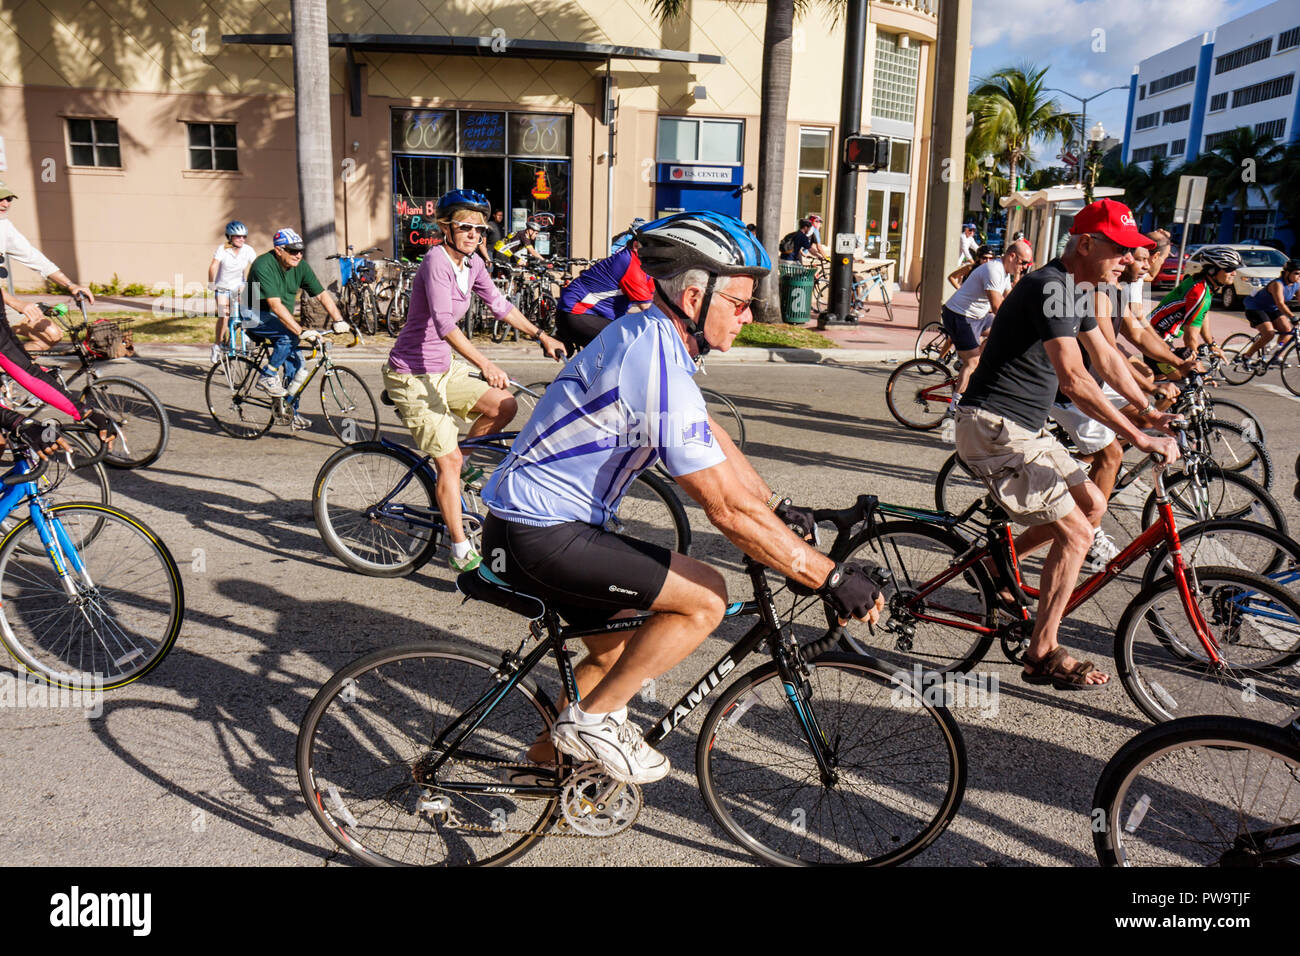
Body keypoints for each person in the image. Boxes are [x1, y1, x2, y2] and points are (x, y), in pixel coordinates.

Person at [480, 211, 884, 783]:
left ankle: (539, 772)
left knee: (618, 650)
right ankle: (592, 723)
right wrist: (831, 577)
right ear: (695, 296)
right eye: (739, 303)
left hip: (537, 522)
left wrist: (775, 505)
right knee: (706, 596)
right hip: (540, 530)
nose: (746, 316)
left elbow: (712, 436)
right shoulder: (652, 356)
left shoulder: (656, 338)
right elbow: (722, 507)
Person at [954, 198, 1180, 691]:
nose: (1129, 261)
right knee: (1078, 535)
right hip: (995, 427)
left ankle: (996, 564)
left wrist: (1149, 409)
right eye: (1120, 250)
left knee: (1092, 504)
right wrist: (1138, 435)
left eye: (1133, 252)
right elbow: (1075, 379)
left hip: (1022, 428)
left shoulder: (1075, 290)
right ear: (1085, 243)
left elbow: (1105, 359)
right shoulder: (1047, 287)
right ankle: (1042, 651)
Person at [383, 189, 565, 573]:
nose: (473, 235)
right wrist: (486, 363)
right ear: (446, 227)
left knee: (505, 405)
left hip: (443, 368)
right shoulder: (436, 261)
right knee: (447, 462)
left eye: (480, 229)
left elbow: (500, 306)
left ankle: (458, 467)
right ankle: (460, 547)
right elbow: (444, 323)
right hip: (412, 374)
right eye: (465, 227)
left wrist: (541, 336)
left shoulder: (473, 265)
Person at [1048, 233, 1196, 571]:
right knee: (1112, 453)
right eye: (1134, 257)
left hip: (1092, 384)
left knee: (1136, 423)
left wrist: (1175, 363)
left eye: (1145, 258)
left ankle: (1084, 466)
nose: (1141, 265)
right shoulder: (1094, 292)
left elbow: (1138, 333)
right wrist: (1148, 389)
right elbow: (1107, 353)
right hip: (1069, 392)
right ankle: (1093, 530)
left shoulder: (1115, 291)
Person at [240, 228, 350, 424]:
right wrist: (301, 331)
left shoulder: (300, 266)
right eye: (292, 250)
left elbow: (322, 294)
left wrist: (338, 319)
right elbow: (274, 305)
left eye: (300, 250)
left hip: (278, 315)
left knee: (298, 366)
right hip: (253, 313)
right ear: (279, 250)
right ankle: (268, 375)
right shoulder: (263, 265)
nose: (298, 255)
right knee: (289, 337)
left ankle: (290, 413)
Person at [0, 180, 95, 350]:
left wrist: (70, 285)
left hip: (2, 302)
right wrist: (18, 304)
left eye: (9, 199)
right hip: (5, 301)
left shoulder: (4, 227)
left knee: (50, 335)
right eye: (0, 199)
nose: (5, 203)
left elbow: (36, 258)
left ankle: (15, 374)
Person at [940, 240, 1032, 416]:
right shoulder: (993, 270)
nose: (1024, 267)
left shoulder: (1005, 272)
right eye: (1023, 263)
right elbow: (998, 306)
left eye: (1027, 264)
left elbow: (1010, 299)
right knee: (973, 362)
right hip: (959, 316)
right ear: (1012, 256)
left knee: (1004, 337)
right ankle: (954, 409)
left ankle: (974, 366)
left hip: (979, 317)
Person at [1146, 246, 1241, 369]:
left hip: (1156, 334)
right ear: (1212, 270)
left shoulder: (1203, 285)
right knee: (1187, 377)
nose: (1234, 273)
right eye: (1229, 269)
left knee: (1157, 380)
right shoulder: (1199, 292)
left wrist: (1211, 344)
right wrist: (1196, 365)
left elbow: (1202, 317)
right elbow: (1190, 336)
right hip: (1156, 337)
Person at [555, 239, 655, 355]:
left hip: (595, 315)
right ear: (636, 246)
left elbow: (655, 299)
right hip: (577, 314)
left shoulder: (644, 267)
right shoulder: (630, 264)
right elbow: (647, 308)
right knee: (627, 343)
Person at [207, 221, 256, 364]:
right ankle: (217, 345)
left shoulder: (248, 250)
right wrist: (211, 284)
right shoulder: (222, 249)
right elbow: (213, 266)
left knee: (247, 311)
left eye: (244, 237)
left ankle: (246, 337)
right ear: (230, 237)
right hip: (222, 287)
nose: (241, 239)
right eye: (237, 236)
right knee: (224, 316)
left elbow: (256, 266)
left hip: (239, 286)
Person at [1236, 258, 1300, 366]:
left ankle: (1278, 355)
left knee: (1288, 330)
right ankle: (1246, 356)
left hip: (1272, 309)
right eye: (1297, 273)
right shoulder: (1277, 284)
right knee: (1269, 334)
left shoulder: (1297, 284)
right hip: (1256, 308)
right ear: (1287, 273)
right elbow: (1280, 303)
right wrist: (1292, 317)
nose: (1299, 276)